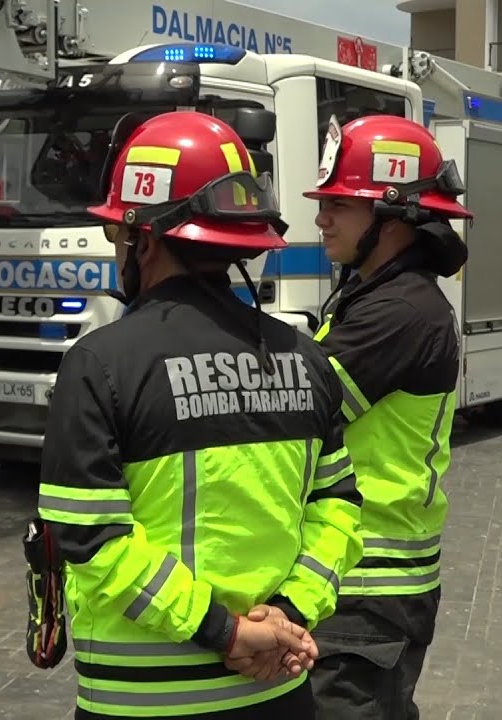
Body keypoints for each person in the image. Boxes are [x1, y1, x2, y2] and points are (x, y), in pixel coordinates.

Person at [36, 110, 366, 720]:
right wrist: (288, 614)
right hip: (276, 688)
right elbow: (340, 507)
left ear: (145, 237)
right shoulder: (306, 360)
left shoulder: (98, 364)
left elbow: (91, 537)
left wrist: (226, 633)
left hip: (141, 700)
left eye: (118, 236)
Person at [285, 113, 470, 719]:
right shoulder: (376, 295)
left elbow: (296, 412)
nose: (322, 217)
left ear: (394, 214)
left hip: (368, 588)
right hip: (360, 583)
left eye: (341, 203)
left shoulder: (402, 312)